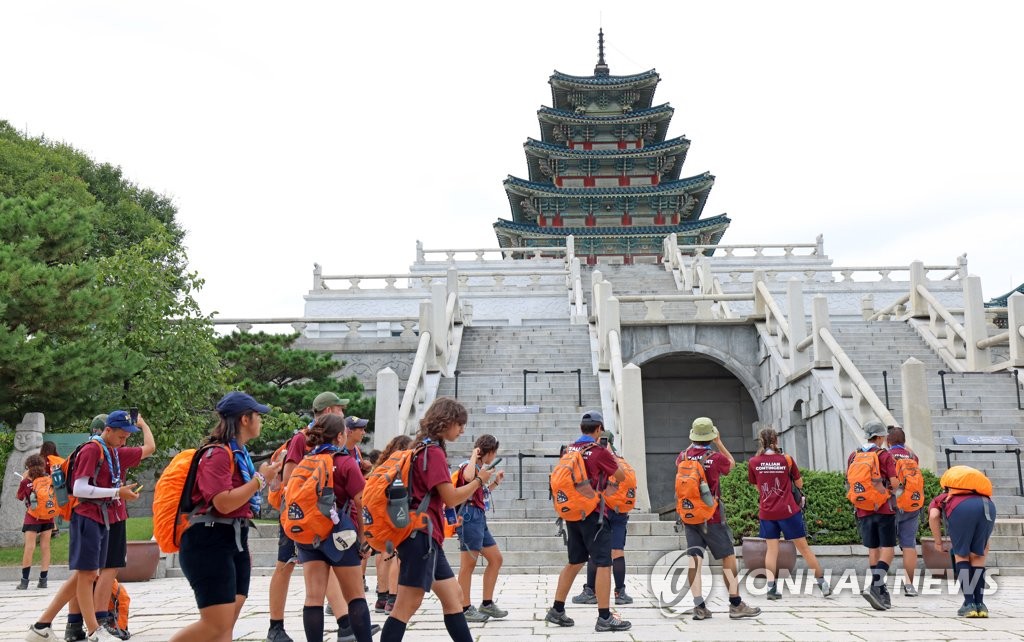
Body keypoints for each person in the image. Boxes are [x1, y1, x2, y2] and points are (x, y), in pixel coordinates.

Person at [25, 409, 156, 642]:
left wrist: (120, 493)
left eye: (127, 437)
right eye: (121, 436)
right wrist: (117, 491)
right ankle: (95, 629)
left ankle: (42, 625)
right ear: (107, 430)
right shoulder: (92, 449)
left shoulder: (113, 451)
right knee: (87, 574)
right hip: (88, 516)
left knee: (85, 574)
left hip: (103, 516)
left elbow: (147, 449)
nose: (124, 440)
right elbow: (79, 488)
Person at [169, 392, 281, 642]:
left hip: (233, 538)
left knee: (227, 620)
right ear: (244, 419)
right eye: (257, 416)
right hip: (208, 541)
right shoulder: (217, 454)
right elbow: (222, 502)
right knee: (215, 624)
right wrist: (260, 480)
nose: (260, 421)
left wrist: (265, 479)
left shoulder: (238, 453)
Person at [379, 397, 492, 642]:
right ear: (446, 422)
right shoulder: (433, 453)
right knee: (406, 605)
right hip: (421, 538)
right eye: (459, 424)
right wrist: (479, 481)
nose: (462, 430)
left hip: (426, 537)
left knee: (453, 597)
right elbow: (451, 498)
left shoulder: (422, 448)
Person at [267, 391, 350, 642]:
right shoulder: (301, 440)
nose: (343, 414)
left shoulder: (332, 441)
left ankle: (346, 624)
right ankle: (275, 626)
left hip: (322, 515)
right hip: (298, 514)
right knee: (285, 565)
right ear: (327, 412)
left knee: (329, 565)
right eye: (339, 409)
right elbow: (291, 478)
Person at [544, 410, 632, 633]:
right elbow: (621, 477)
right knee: (603, 563)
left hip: (572, 513)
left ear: (581, 429)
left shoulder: (570, 449)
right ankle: (604, 617)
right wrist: (610, 457)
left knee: (575, 561)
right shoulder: (598, 451)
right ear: (599, 429)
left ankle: (557, 609)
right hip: (593, 514)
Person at [295, 414, 374, 642]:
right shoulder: (345, 461)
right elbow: (361, 501)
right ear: (340, 435)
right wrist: (363, 537)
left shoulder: (307, 460)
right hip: (340, 536)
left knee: (313, 598)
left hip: (309, 535)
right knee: (356, 597)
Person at [678, 417, 761, 620]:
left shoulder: (683, 456)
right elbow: (731, 465)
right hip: (712, 515)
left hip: (690, 516)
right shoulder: (715, 458)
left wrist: (693, 443)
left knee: (694, 560)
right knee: (728, 557)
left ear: (693, 436)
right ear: (711, 436)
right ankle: (735, 604)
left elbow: (687, 454)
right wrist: (719, 442)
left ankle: (699, 606)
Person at [746, 427, 831, 599]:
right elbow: (799, 484)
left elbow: (757, 487)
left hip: (767, 512)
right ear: (776, 440)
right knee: (804, 549)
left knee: (772, 550)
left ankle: (771, 588)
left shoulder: (754, 462)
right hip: (789, 511)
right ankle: (822, 583)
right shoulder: (787, 459)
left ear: (760, 441)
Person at [572, 431, 633, 606]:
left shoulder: (598, 456)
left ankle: (590, 591)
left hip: (602, 509)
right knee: (618, 551)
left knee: (596, 552)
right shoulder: (621, 460)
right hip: (620, 510)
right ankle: (620, 592)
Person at [928, 468, 997, 618]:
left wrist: (938, 542)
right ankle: (981, 605)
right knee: (978, 557)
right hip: (988, 508)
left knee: (962, 556)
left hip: (961, 510)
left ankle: (969, 604)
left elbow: (933, 516)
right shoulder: (983, 496)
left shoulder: (944, 497)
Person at [847, 419, 900, 611]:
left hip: (862, 508)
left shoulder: (854, 455)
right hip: (883, 507)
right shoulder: (883, 455)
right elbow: (894, 482)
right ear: (879, 437)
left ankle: (880, 589)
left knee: (873, 548)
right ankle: (876, 585)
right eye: (884, 437)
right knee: (888, 548)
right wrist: (891, 491)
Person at [454, 434, 507, 622]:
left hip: (478, 517)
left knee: (496, 559)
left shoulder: (480, 469)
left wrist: (495, 482)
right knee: (468, 565)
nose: (494, 457)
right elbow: (468, 478)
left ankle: (487, 603)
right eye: (494, 453)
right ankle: (464, 607)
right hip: (468, 517)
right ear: (490, 452)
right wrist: (474, 455)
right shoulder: (467, 466)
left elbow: (480, 492)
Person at [371, 436, 412, 616]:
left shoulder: (382, 466)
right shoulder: (401, 464)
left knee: (384, 554)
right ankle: (393, 598)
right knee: (397, 556)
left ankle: (382, 596)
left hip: (379, 515)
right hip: (396, 513)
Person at [887, 426, 922, 596]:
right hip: (911, 504)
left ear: (888, 441)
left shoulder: (886, 455)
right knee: (909, 545)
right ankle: (909, 585)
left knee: (885, 545)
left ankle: (880, 583)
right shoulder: (912, 456)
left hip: (890, 505)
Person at [17, 454, 54, 590]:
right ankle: (43, 580)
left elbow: (20, 497)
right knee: (45, 547)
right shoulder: (48, 479)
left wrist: (23, 479)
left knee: (29, 547)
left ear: (29, 467)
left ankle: (24, 581)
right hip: (48, 516)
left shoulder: (26, 481)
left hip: (32, 517)